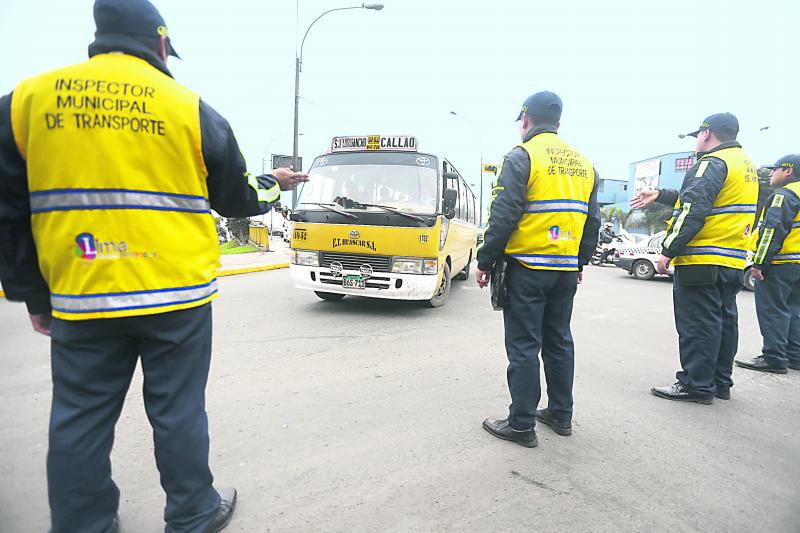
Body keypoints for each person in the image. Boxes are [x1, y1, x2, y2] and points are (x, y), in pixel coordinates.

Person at [0, 1, 308, 531]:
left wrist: (33, 295)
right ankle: (192, 513)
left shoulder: (24, 103)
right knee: (178, 412)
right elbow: (235, 197)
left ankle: (82, 524)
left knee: (79, 417)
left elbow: (7, 211)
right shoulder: (190, 108)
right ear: (161, 45)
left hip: (84, 289)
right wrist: (272, 185)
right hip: (176, 298)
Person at [475, 91, 601, 448]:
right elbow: (592, 221)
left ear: (526, 120)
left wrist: (485, 260)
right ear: (558, 123)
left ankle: (521, 424)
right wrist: (581, 261)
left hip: (527, 267)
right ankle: (561, 414)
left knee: (524, 346)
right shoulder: (585, 164)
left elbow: (503, 214)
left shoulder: (522, 157)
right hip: (564, 271)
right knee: (559, 340)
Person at [631, 113, 758, 403]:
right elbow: (704, 199)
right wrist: (661, 194)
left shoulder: (712, 163)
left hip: (703, 258)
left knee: (699, 324)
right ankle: (718, 382)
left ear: (706, 134)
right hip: (732, 259)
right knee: (724, 322)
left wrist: (668, 249)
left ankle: (696, 384)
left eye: (697, 137)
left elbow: (693, 208)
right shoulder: (745, 164)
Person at [735, 155, 800, 373]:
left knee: (773, 310)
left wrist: (759, 263)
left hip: (781, 263)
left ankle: (774, 358)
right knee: (794, 309)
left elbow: (771, 231)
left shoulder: (784, 195)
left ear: (788, 171)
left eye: (775, 169)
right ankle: (794, 356)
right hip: (797, 265)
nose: (771, 174)